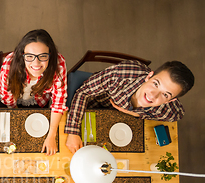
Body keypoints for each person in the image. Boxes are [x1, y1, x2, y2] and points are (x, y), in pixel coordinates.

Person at [65, 60, 195, 153]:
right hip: (94, 105)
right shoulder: (120, 75)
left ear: (170, 100)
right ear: (149, 76)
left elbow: (179, 114)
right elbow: (84, 92)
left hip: (120, 128)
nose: (153, 95)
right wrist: (72, 131)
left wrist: (137, 114)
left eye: (165, 94)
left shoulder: (167, 108)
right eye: (156, 84)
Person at [0, 29, 68, 155]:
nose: (36, 63)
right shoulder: (10, 63)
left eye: (43, 56)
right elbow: (7, 95)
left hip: (38, 97)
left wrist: (51, 137)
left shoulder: (58, 64)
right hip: (10, 97)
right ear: (22, 54)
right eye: (30, 56)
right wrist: (17, 114)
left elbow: (59, 103)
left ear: (50, 53)